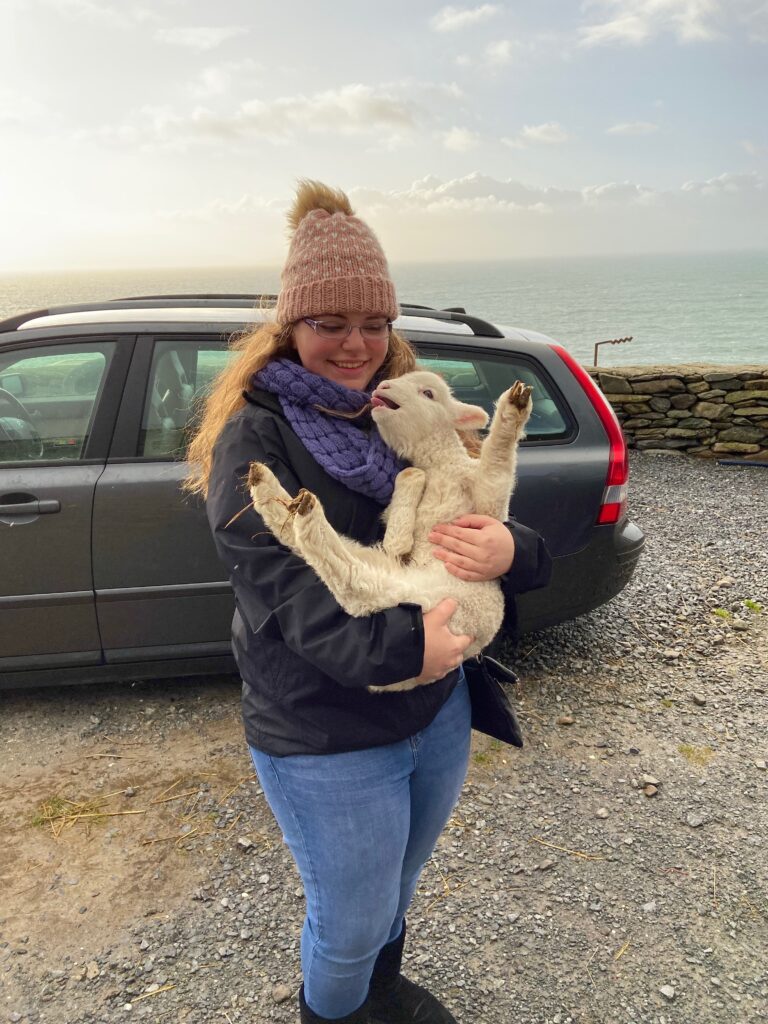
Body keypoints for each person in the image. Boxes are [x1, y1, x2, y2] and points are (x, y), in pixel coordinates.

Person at [186, 180, 552, 1024]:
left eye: (374, 323)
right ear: (292, 325)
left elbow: (475, 501)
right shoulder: (256, 435)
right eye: (330, 322)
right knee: (349, 922)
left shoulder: (403, 406)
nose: (356, 344)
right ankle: (340, 1008)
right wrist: (401, 651)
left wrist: (514, 549)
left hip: (438, 705)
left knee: (401, 882)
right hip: (326, 727)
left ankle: (382, 995)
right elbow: (276, 586)